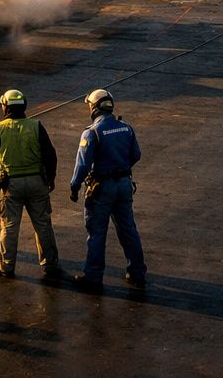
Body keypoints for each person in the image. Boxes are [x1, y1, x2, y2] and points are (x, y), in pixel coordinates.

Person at [0, 89, 61, 281]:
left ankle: (5, 266)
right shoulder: (36, 126)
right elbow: (50, 155)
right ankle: (50, 266)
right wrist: (50, 179)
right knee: (43, 225)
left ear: (5, 107)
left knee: (9, 227)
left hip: (11, 186)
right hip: (37, 183)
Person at [68, 88, 147, 292]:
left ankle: (93, 277)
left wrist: (74, 187)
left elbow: (83, 165)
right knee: (128, 229)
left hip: (102, 187)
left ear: (94, 107)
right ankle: (137, 273)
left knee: (96, 232)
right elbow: (136, 155)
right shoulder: (126, 128)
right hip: (124, 184)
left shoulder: (92, 132)